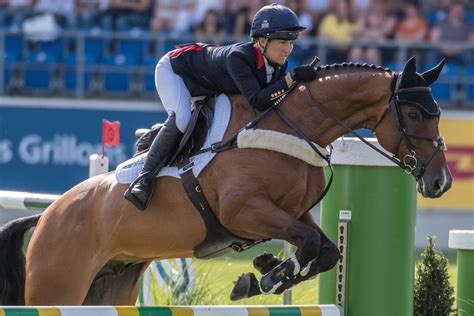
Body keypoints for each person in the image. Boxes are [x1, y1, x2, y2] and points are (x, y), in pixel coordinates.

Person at [124, 3, 319, 210]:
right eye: (282, 42)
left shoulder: (279, 64)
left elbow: (272, 100)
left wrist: (297, 84)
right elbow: (258, 100)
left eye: (291, 43)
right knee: (182, 118)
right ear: (262, 40)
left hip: (207, 84)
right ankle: (143, 179)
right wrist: (292, 79)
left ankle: (155, 136)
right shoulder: (240, 57)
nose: (288, 49)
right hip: (175, 71)